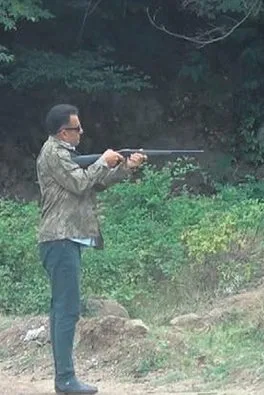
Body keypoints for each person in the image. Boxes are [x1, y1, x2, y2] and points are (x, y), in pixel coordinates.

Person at [35, 104, 147, 394]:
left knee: (63, 309)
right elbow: (80, 183)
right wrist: (103, 160)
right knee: (67, 310)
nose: (81, 132)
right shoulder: (54, 153)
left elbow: (95, 184)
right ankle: (66, 380)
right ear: (63, 132)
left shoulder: (65, 154)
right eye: (77, 128)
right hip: (59, 238)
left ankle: (65, 378)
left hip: (64, 239)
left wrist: (125, 168)